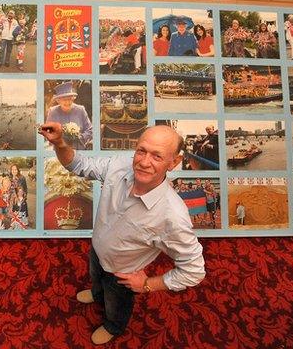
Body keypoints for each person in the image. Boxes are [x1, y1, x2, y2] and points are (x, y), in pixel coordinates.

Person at [38, 122, 205, 345]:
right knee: (97, 281)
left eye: (157, 156)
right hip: (97, 251)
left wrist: (147, 284)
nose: (144, 162)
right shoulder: (120, 164)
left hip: (123, 274)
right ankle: (97, 295)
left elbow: (194, 270)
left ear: (174, 162)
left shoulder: (173, 216)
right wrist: (59, 143)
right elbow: (78, 164)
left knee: (116, 305)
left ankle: (113, 326)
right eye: (141, 151)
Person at [46, 82, 93, 150]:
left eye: (70, 99)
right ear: (58, 100)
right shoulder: (53, 111)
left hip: (79, 149)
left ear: (73, 99)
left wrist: (80, 138)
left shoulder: (81, 109)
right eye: (64, 100)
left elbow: (90, 129)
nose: (67, 102)